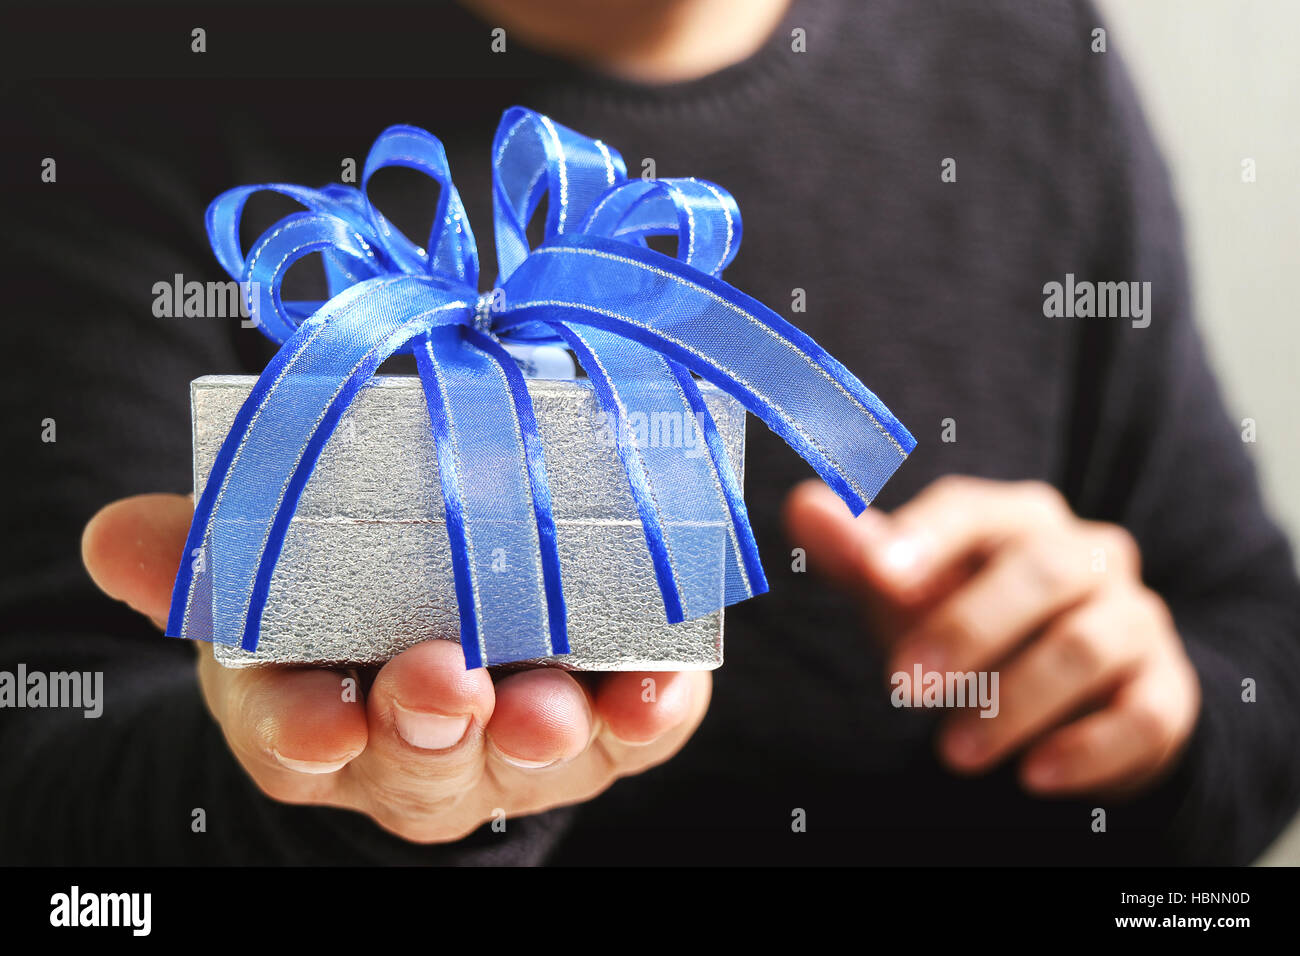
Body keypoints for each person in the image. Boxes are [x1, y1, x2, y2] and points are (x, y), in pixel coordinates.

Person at [3, 0, 1298, 865]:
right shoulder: (100, 72)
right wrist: (328, 805)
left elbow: (1263, 647)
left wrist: (1153, 715)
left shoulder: (1025, 48)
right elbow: (46, 801)